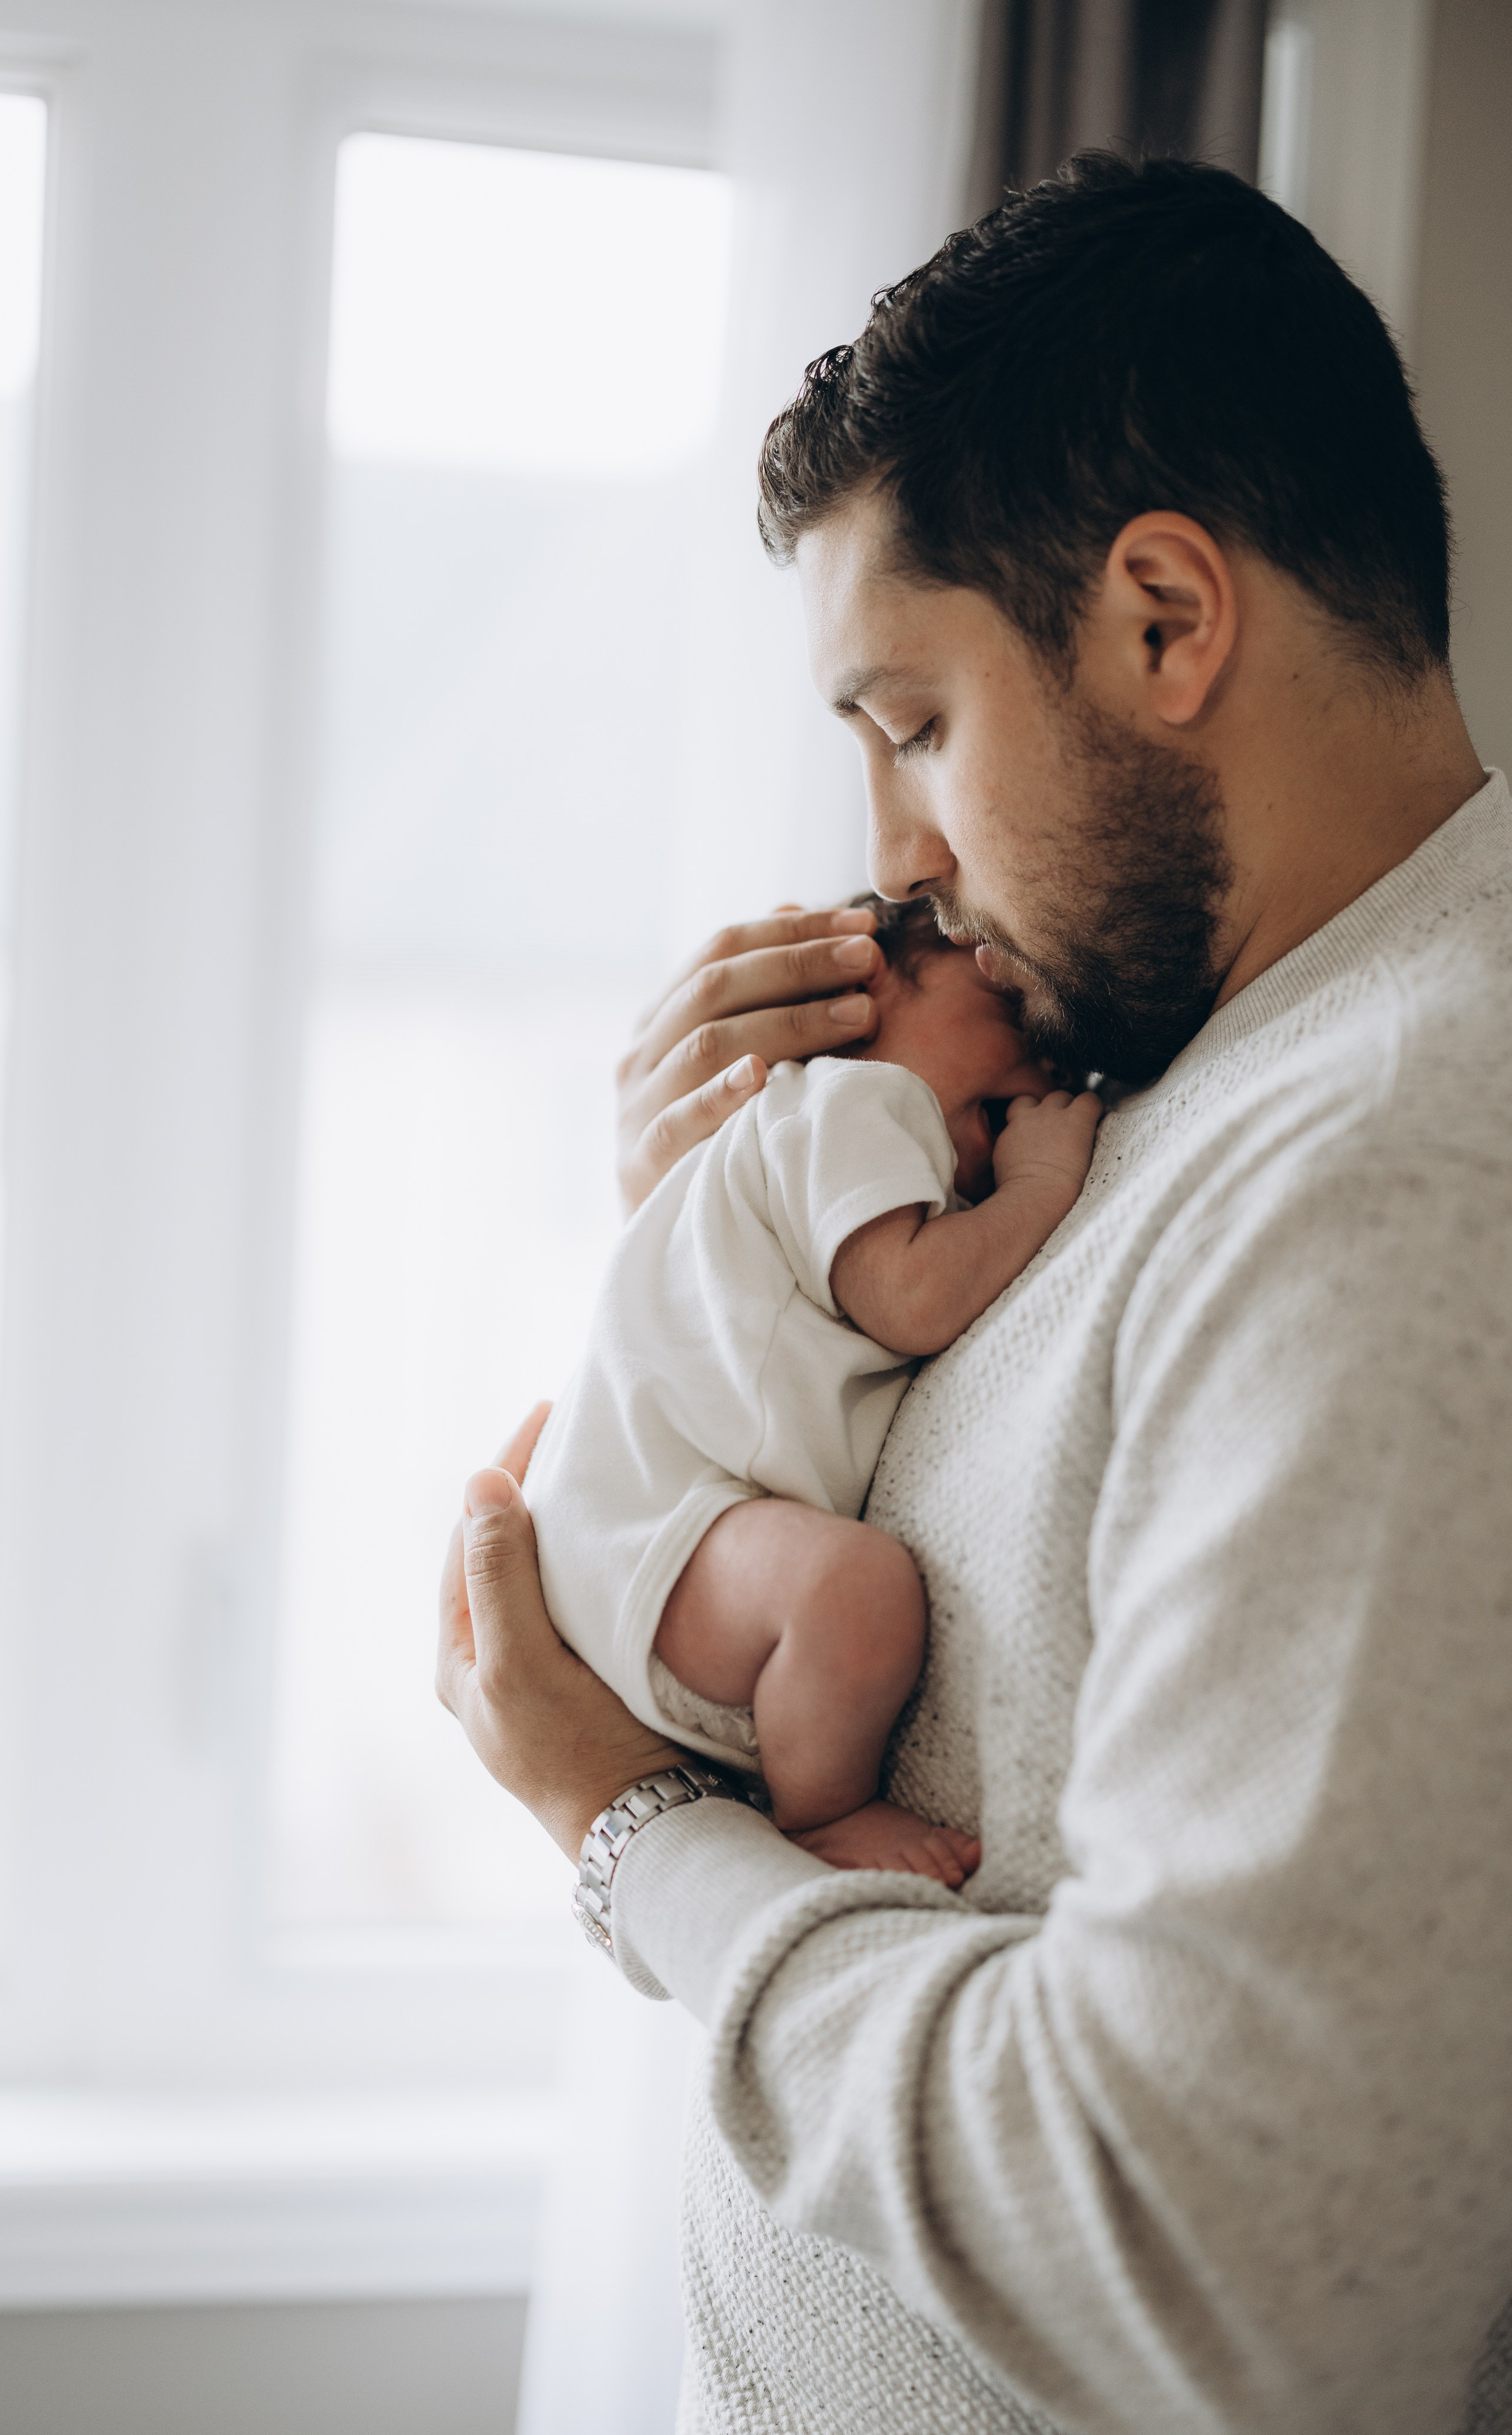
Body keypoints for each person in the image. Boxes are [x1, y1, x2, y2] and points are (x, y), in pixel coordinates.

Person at [440, 152, 1512, 2434]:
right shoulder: (1190, 1074)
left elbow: (1233, 2273)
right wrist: (729, 1264)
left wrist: (633, 1837)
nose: (895, 861)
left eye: (914, 724)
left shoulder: (1402, 1158)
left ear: (1165, 620)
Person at [526, 893, 1099, 1877]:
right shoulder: (854, 1100)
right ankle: (823, 1816)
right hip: (654, 1524)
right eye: (1007, 1005)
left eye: (1068, 1062)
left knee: (840, 1597)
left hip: (651, 1532)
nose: (1048, 1065)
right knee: (855, 1593)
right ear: (860, 995)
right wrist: (1040, 1186)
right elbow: (913, 1298)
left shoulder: (823, 1146)